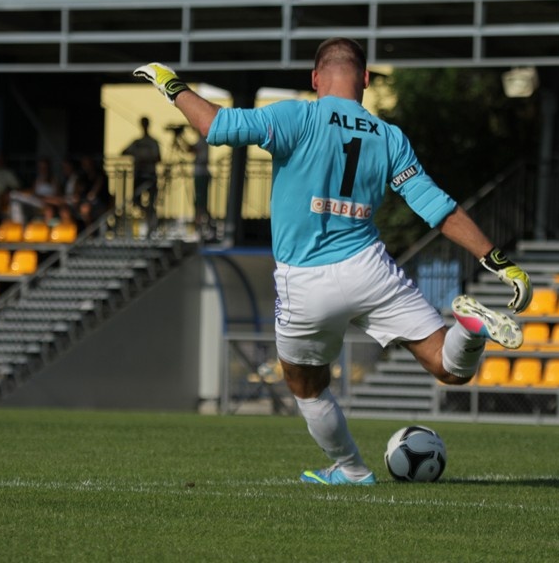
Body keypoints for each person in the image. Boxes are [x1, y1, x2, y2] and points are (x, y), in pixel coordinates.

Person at [135, 37, 532, 485]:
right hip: (369, 267)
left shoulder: (297, 115)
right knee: (450, 367)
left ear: (315, 79)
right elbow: (437, 207)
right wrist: (497, 260)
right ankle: (470, 328)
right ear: (364, 80)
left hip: (305, 280)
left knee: (306, 385)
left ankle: (352, 469)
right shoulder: (388, 136)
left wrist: (173, 86)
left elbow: (216, 127)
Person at [123, 116, 162, 233]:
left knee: (152, 201)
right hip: (139, 175)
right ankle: (147, 215)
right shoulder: (137, 143)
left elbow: (158, 158)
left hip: (150, 175)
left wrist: (146, 159)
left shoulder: (153, 142)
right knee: (135, 199)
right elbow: (124, 152)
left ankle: (151, 221)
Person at [9, 156, 59, 223]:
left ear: (48, 168)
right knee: (14, 197)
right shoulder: (37, 180)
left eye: (44, 167)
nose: (42, 169)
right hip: (36, 201)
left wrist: (45, 199)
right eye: (40, 167)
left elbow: (57, 197)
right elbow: (33, 192)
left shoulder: (53, 180)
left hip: (46, 202)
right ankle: (18, 226)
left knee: (15, 197)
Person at [190, 133, 212, 239]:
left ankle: (201, 224)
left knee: (200, 201)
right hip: (200, 174)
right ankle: (203, 223)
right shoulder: (202, 140)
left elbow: (194, 150)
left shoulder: (203, 141)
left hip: (201, 174)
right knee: (199, 201)